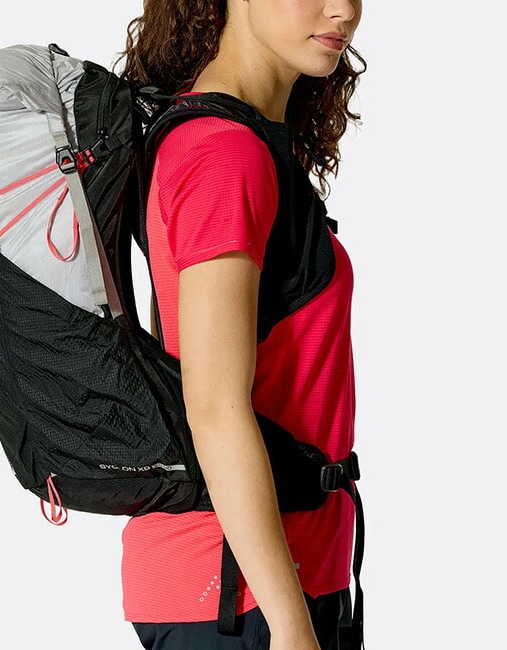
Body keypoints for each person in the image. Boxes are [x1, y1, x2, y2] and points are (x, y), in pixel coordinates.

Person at [117, 1, 366, 648]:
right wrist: (290, 624)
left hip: (278, 582)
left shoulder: (241, 138)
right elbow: (214, 407)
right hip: (239, 597)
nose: (343, 9)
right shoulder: (225, 153)